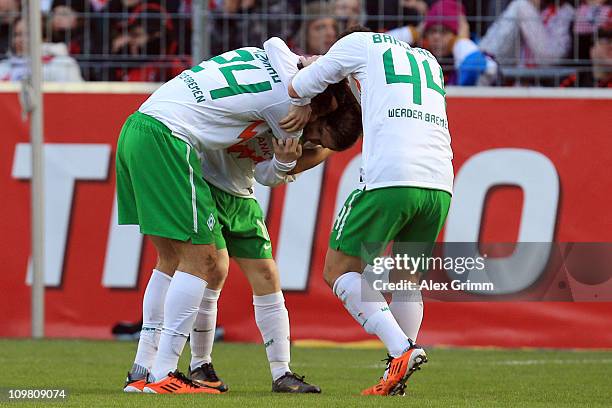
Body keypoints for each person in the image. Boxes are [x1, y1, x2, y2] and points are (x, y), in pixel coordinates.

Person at [116, 44, 308, 394]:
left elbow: (275, 45)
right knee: (200, 261)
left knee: (182, 261)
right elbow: (282, 164)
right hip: (178, 147)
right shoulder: (293, 108)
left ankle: (147, 368)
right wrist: (288, 156)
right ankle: (163, 374)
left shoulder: (263, 55)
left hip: (146, 127)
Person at [183, 37, 362, 394]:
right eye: (319, 133)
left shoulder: (311, 146)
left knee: (266, 273)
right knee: (212, 271)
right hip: (203, 176)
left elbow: (266, 175)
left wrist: (284, 160)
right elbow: (275, 44)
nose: (314, 140)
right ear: (323, 110)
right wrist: (299, 98)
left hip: (238, 188)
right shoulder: (292, 93)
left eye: (322, 142)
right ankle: (199, 365)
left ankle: (282, 373)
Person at [284, 26, 453, 396]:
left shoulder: (355, 44)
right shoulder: (428, 59)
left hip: (391, 172)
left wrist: (316, 67)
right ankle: (399, 375)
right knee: (407, 280)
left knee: (339, 270)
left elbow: (298, 86)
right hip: (440, 178)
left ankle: (401, 350)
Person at [479, 0, 575, 67]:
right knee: (520, 6)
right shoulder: (540, 9)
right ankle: (483, 54)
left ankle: (482, 54)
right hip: (524, 64)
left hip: (551, 56)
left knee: (520, 5)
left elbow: (552, 53)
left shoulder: (566, 10)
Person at [0, 17, 83, 82]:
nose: (20, 39)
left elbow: (76, 98)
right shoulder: (5, 66)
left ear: (44, 38)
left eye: (27, 34)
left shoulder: (63, 64)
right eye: (17, 34)